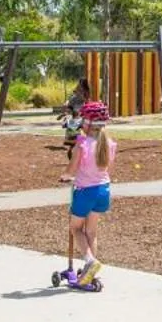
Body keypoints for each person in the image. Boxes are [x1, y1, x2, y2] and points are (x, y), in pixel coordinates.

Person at [56, 101, 115, 291]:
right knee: (91, 231)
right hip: (103, 189)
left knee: (75, 229)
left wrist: (65, 176)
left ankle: (89, 261)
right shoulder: (109, 143)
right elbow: (106, 168)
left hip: (85, 190)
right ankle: (91, 272)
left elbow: (72, 168)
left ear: (88, 124)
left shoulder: (82, 144)